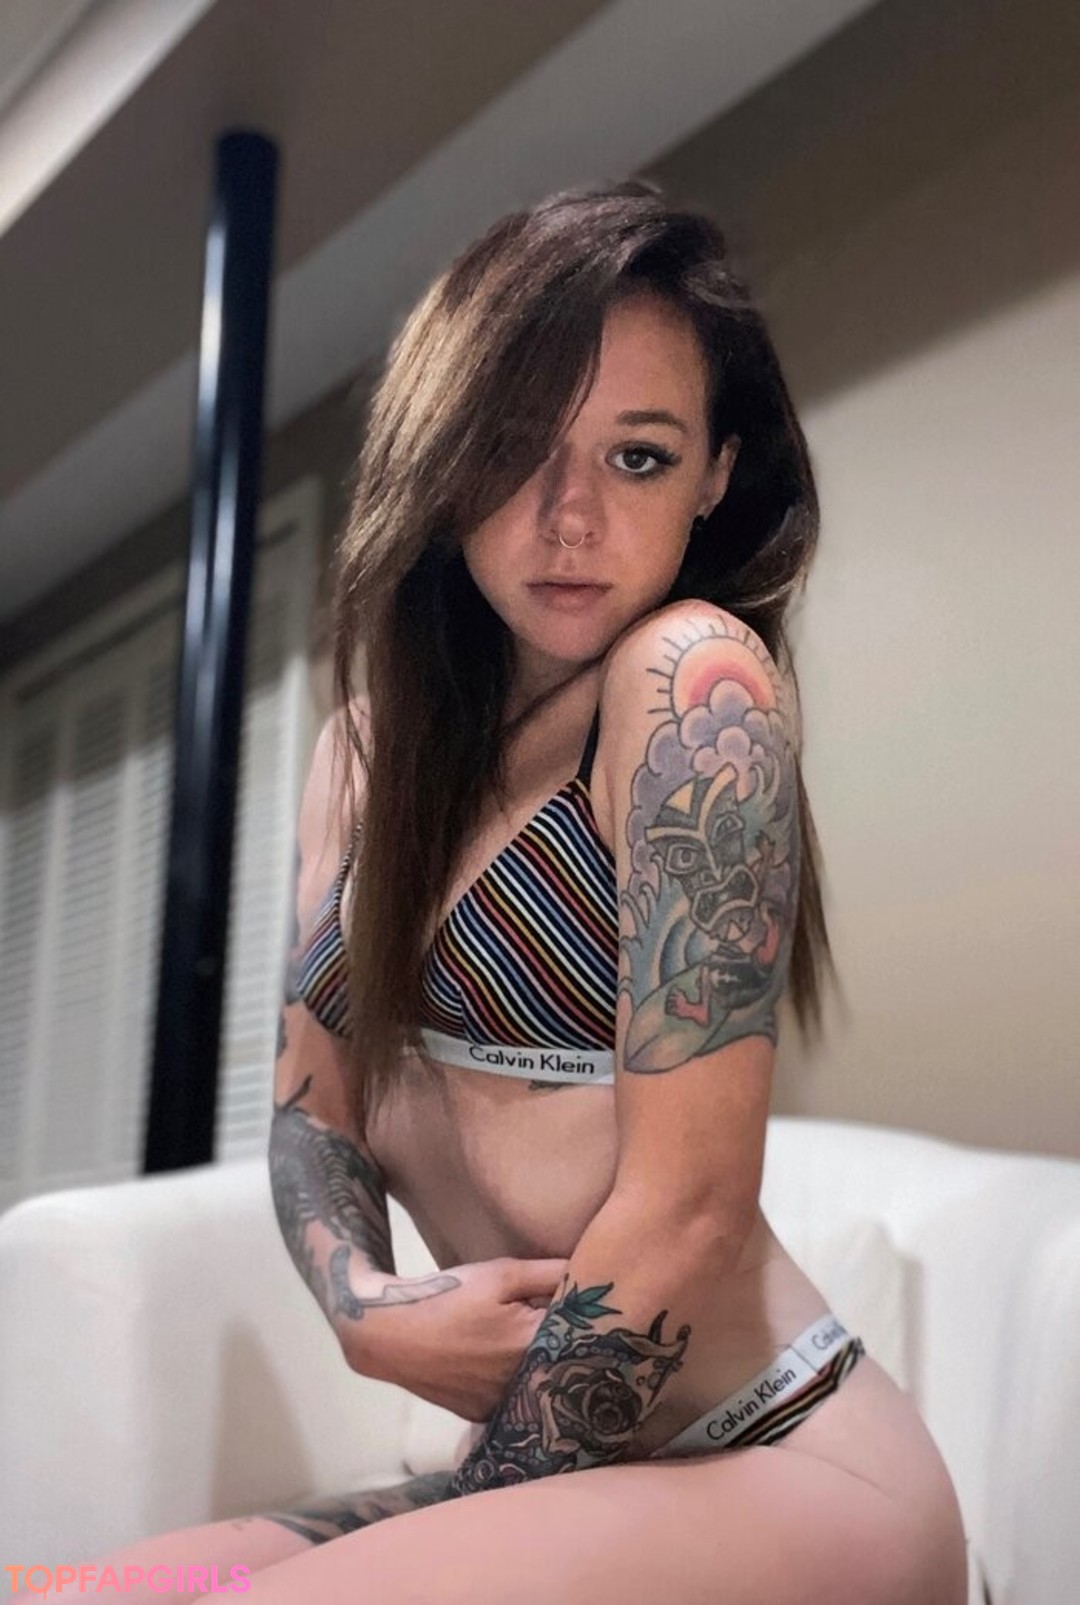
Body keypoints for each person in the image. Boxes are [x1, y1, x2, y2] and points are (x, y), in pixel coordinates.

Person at [52, 180, 969, 1604]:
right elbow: (313, 1116)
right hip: (564, 1470)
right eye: (514, 447)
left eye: (639, 457)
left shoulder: (691, 685)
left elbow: (688, 1215)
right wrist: (362, 1305)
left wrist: (458, 1509)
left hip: (780, 1454)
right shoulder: (365, 752)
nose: (569, 516)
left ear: (717, 475)